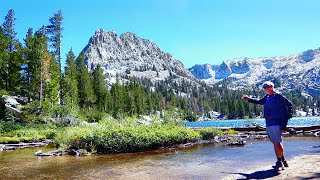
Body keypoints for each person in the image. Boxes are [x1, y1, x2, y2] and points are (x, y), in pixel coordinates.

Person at [242, 81, 289, 170]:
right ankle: (283, 160)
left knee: (277, 143)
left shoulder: (278, 96)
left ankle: (279, 162)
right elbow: (260, 102)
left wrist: (283, 126)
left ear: (272, 86)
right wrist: (249, 99)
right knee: (277, 142)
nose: (267, 89)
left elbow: (284, 111)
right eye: (265, 88)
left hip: (276, 123)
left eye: (268, 87)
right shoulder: (267, 96)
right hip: (269, 123)